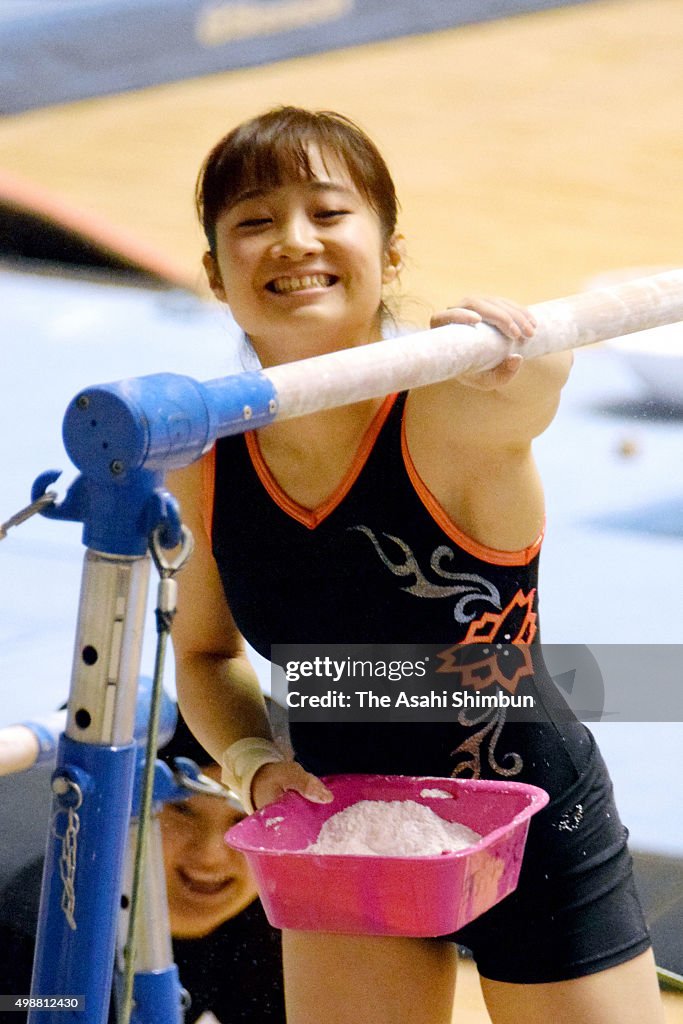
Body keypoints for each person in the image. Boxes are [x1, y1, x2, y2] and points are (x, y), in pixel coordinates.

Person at [168, 106, 666, 1024]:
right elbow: (202, 657)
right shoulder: (207, 459)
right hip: (345, 825)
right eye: (252, 221)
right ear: (214, 272)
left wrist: (516, 356)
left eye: (327, 212)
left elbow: (526, 400)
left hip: (530, 820)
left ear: (389, 253)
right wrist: (251, 766)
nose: (292, 241)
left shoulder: (447, 407)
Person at [0, 712, 285, 1024]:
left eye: (243, 819)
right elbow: (11, 1004)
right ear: (124, 809)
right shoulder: (36, 934)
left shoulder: (268, 927)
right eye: (182, 810)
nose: (210, 855)